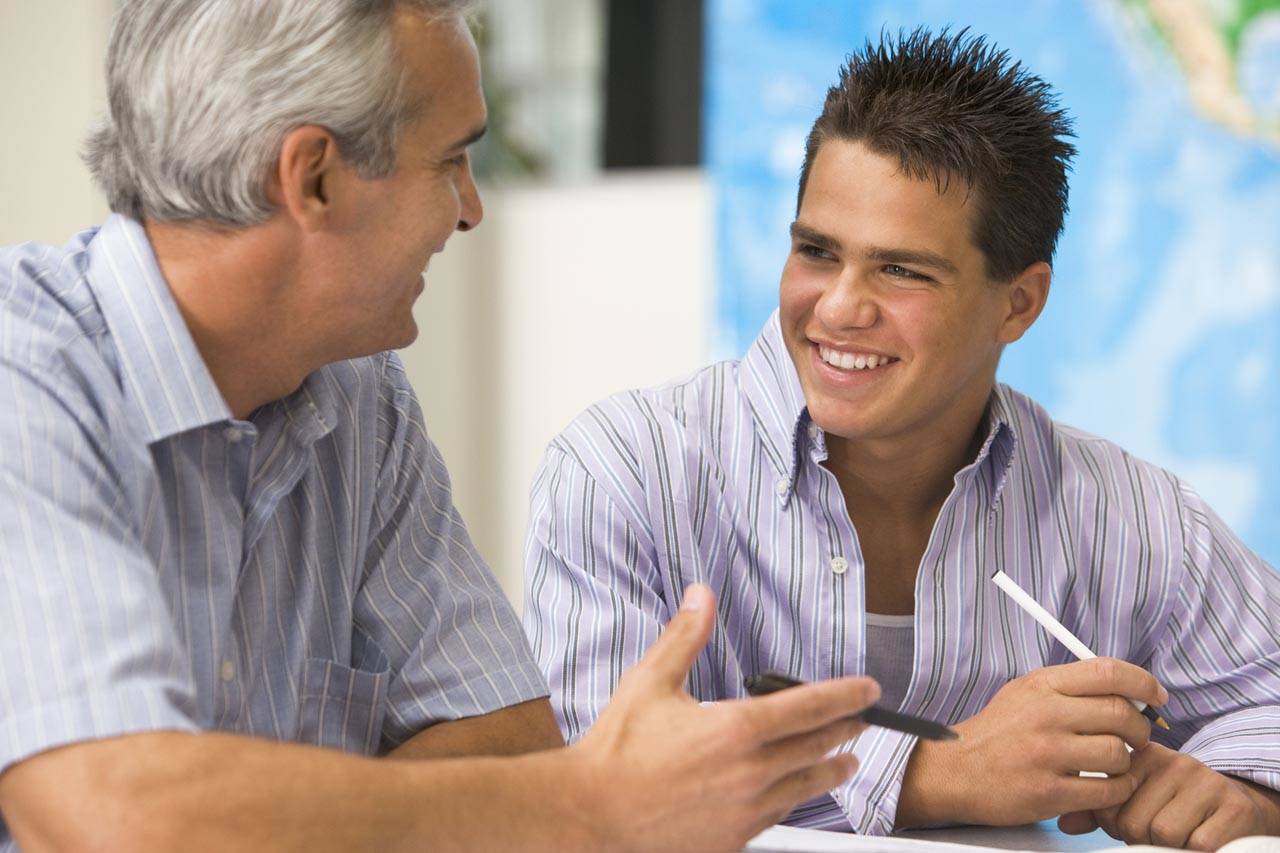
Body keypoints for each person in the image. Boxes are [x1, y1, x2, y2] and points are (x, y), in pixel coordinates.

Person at [0, 1, 882, 850]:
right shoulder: (25, 375)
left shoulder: (358, 394)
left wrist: (255, 815)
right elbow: (108, 817)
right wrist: (586, 804)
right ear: (312, 177)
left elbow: (508, 732)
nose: (471, 207)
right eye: (450, 161)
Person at [523, 27, 1280, 849]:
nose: (841, 307)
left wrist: (1241, 791)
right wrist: (942, 771)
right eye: (816, 251)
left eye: (902, 270)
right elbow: (588, 779)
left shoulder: (1129, 513)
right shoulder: (622, 470)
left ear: (1018, 304)